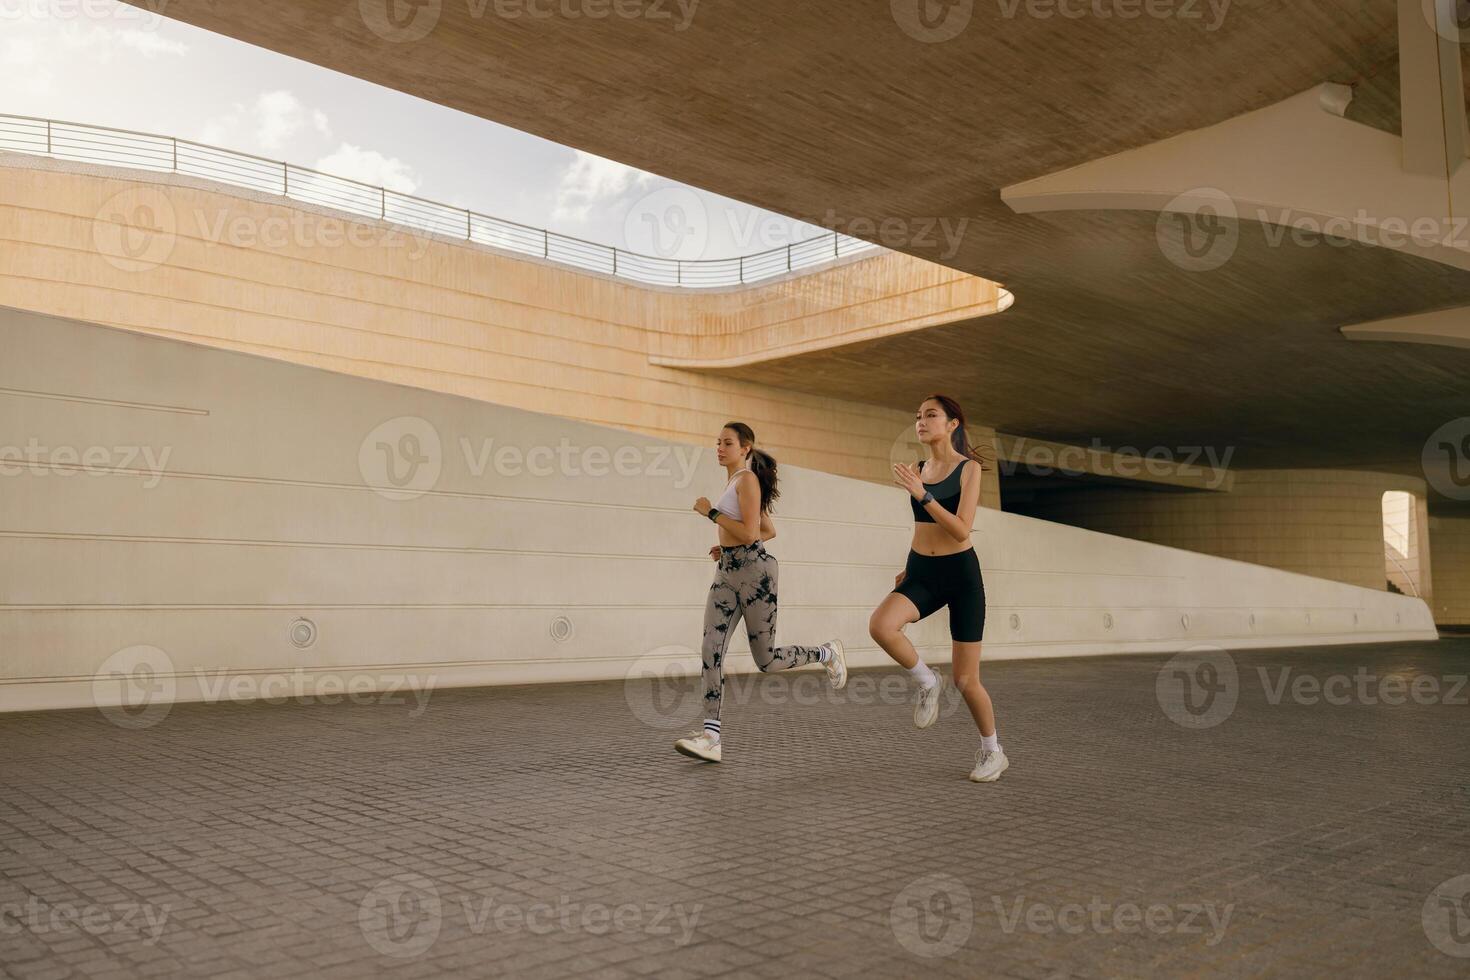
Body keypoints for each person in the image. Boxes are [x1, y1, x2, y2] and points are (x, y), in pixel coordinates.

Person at [673, 422, 846, 763]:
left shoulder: (748, 480)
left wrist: (711, 512)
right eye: (717, 442)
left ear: (745, 448)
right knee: (711, 648)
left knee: (765, 660)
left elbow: (754, 533)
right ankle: (711, 737)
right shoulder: (735, 482)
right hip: (727, 572)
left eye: (727, 443)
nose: (719, 448)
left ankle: (826, 654)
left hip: (756, 575)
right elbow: (767, 529)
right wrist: (726, 549)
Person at [868, 395, 1008, 783]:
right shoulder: (918, 468)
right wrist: (908, 569)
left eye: (931, 415)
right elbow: (922, 527)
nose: (921, 421)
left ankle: (992, 751)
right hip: (921, 570)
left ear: (953, 424)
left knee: (966, 679)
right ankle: (927, 681)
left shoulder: (969, 470)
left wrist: (924, 494)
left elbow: (961, 528)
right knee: (881, 626)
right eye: (917, 416)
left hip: (960, 575)